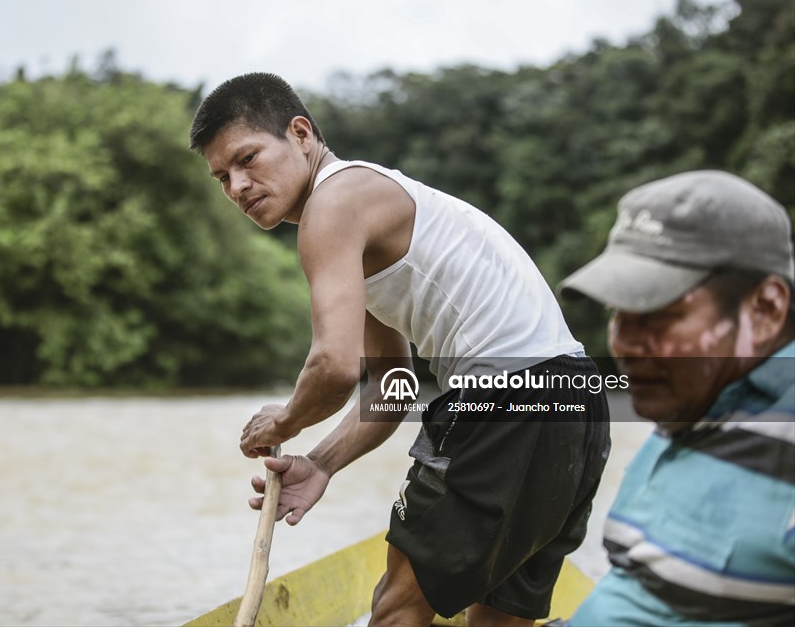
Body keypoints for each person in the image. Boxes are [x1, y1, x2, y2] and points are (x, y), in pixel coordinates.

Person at [189, 72, 610, 626]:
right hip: (578, 401)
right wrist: (320, 464)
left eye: (248, 159)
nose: (238, 187)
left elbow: (334, 367)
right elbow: (392, 387)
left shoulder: (332, 205)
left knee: (396, 608)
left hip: (508, 399)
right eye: (223, 177)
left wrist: (284, 421)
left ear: (301, 134)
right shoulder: (359, 211)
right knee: (499, 617)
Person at [558, 170, 795, 625]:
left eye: (657, 313)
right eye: (616, 312)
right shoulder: (696, 399)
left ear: (765, 309)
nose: (625, 343)